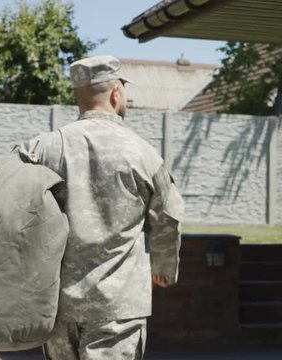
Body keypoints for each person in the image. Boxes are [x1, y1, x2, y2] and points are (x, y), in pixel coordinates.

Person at [20, 55, 184, 360]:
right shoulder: (142, 152)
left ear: (78, 95)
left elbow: (10, 208)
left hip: (58, 303)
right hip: (117, 306)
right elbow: (168, 215)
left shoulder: (43, 148)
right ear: (115, 93)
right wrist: (163, 268)